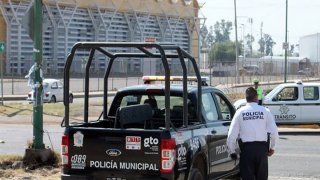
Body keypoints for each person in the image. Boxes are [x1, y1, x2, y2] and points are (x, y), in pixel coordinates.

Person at [227, 87, 279, 180]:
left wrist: (232, 151)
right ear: (256, 98)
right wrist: (272, 148)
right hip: (262, 151)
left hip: (247, 151)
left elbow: (231, 134)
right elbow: (274, 132)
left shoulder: (240, 112)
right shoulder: (265, 111)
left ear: (246, 98)